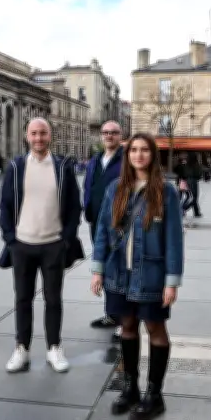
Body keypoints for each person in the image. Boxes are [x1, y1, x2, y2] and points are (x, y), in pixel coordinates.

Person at [91, 133, 184, 418]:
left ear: (153, 155)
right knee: (127, 327)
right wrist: (97, 270)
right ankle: (130, 387)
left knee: (155, 329)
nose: (139, 155)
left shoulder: (165, 191)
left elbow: (174, 239)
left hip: (152, 274)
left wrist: (172, 281)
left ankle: (154, 394)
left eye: (145, 150)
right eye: (134, 150)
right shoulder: (115, 188)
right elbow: (103, 233)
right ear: (128, 155)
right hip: (118, 272)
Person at [0, 118, 83, 373]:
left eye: (43, 133)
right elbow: (5, 205)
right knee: (22, 299)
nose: (38, 138)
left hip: (52, 245)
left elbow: (73, 206)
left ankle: (54, 348)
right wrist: (10, 239)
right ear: (27, 136)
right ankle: (21, 348)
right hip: (22, 245)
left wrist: (66, 239)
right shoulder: (16, 166)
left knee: (53, 299)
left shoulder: (62, 167)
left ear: (50, 136)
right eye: (34, 133)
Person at [83, 120, 124, 332]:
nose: (109, 136)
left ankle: (124, 319)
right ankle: (111, 314)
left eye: (113, 133)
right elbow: (87, 186)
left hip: (118, 224)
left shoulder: (126, 160)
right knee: (105, 268)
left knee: (120, 269)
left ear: (120, 135)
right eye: (105, 133)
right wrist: (86, 207)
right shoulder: (95, 160)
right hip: (97, 223)